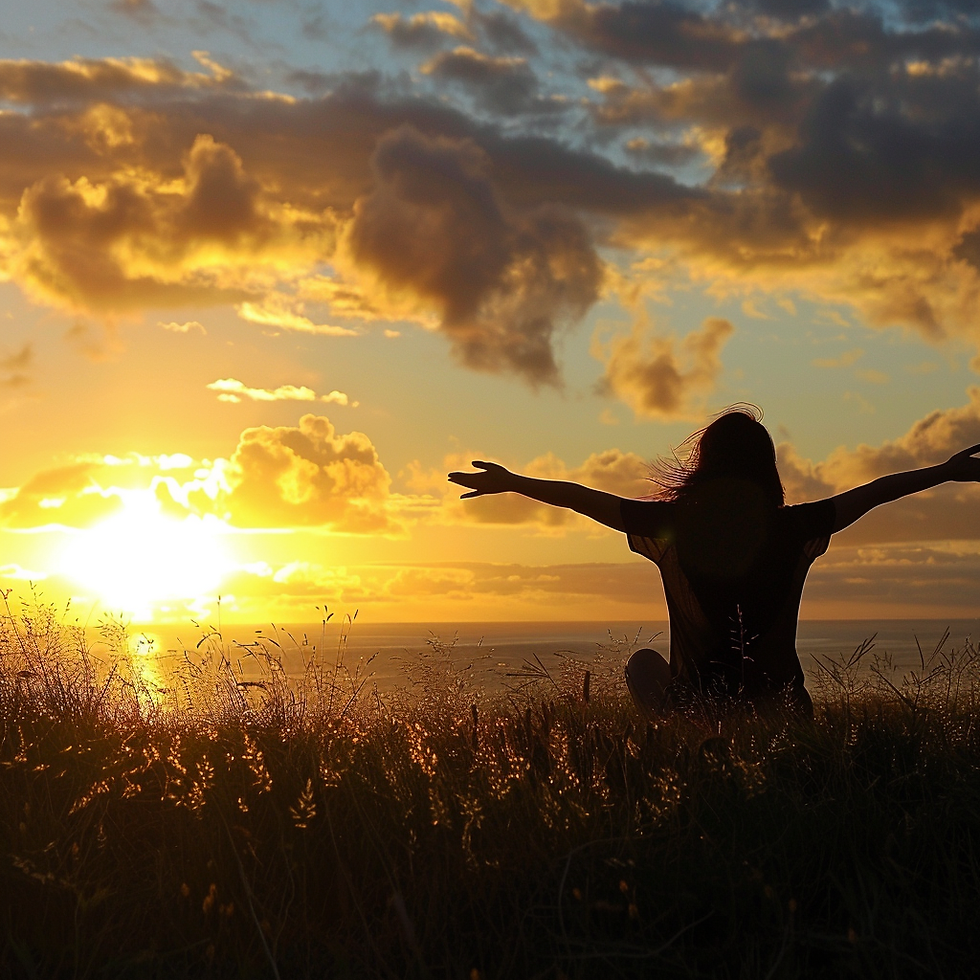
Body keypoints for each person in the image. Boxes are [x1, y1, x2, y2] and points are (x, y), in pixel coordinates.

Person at [448, 407, 980, 718]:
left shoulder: (674, 525)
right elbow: (878, 491)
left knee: (641, 665)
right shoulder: (794, 526)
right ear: (765, 467)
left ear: (707, 464)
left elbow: (579, 497)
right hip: (782, 707)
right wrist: (945, 471)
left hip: (698, 709)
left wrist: (515, 482)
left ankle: (689, 750)